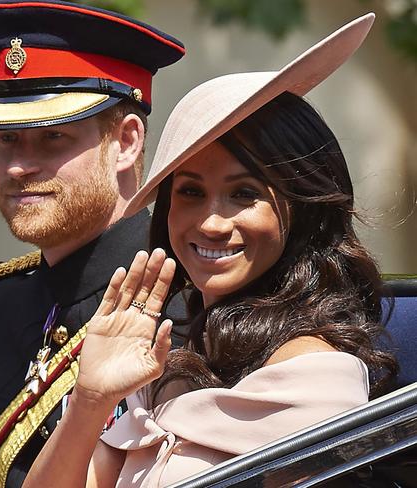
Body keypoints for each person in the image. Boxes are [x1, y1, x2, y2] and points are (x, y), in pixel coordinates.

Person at [24, 13, 398, 488]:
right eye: (191, 193)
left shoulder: (313, 376)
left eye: (245, 194)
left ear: (303, 208)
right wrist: (91, 399)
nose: (212, 223)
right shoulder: (176, 359)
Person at [0, 2, 185, 487]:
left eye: (52, 139)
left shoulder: (186, 299)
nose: (20, 166)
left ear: (127, 143)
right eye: (6, 139)